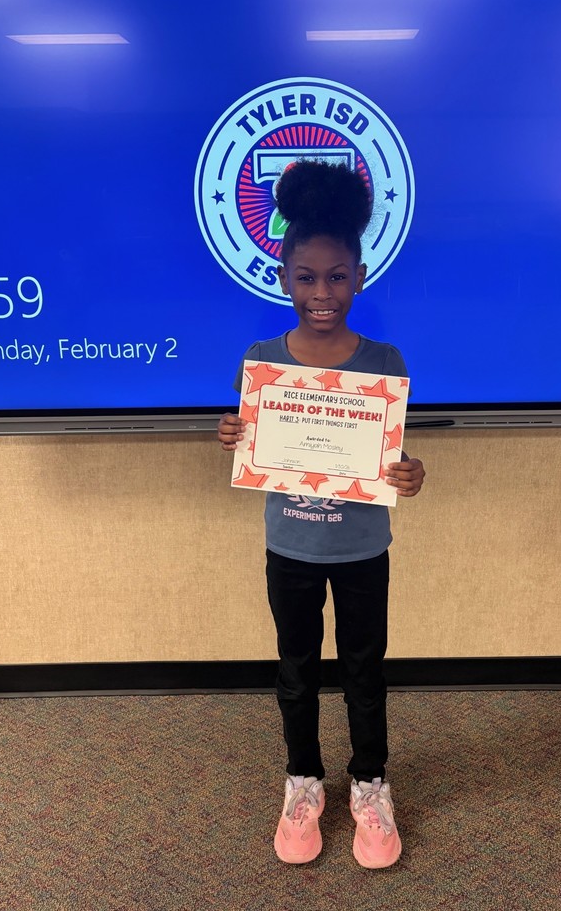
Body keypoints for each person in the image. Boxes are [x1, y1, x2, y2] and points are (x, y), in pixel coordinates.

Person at [218, 160, 425, 869]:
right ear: (283, 280)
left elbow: (395, 458)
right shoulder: (263, 361)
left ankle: (370, 782)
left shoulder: (385, 361)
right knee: (297, 668)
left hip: (365, 548)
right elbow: (255, 445)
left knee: (366, 669)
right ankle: (303, 779)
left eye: (336, 276)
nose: (322, 292)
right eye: (307, 277)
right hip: (291, 548)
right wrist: (235, 438)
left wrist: (411, 473)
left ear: (359, 277)